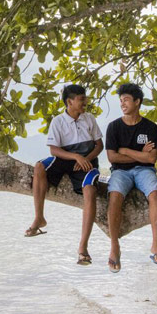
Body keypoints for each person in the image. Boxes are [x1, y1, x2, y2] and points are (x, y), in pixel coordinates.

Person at [24, 84, 104, 266]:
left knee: (90, 190)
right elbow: (53, 150)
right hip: (65, 158)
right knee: (39, 167)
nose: (85, 102)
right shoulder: (58, 121)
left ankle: (83, 247)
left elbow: (99, 145)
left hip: (87, 161)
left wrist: (85, 159)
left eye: (85, 98)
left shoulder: (89, 119)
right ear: (70, 101)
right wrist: (75, 156)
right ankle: (39, 217)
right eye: (81, 99)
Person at [105, 83, 157, 272]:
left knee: (155, 194)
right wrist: (139, 153)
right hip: (120, 172)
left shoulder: (150, 127)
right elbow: (112, 157)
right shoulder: (114, 127)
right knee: (114, 196)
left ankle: (156, 246)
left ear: (137, 102)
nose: (122, 104)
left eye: (126, 100)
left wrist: (126, 150)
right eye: (121, 100)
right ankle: (114, 246)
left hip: (144, 171)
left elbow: (151, 158)